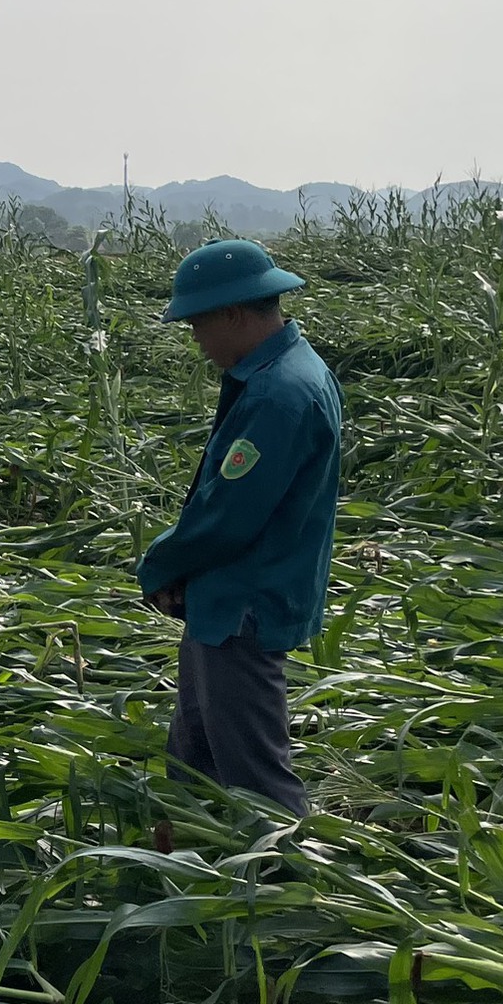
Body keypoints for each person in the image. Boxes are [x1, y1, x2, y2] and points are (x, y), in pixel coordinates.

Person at [135, 239, 342, 817]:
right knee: (195, 749)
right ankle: (187, 860)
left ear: (232, 313)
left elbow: (228, 517)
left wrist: (160, 566)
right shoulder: (284, 373)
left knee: (256, 779)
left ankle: (290, 888)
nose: (197, 340)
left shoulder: (280, 395)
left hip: (246, 603)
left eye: (198, 324)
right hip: (228, 598)